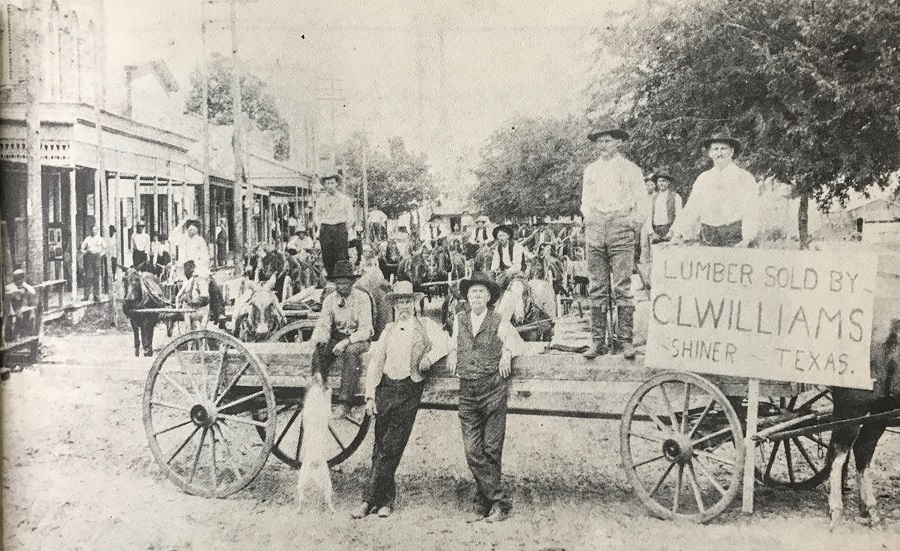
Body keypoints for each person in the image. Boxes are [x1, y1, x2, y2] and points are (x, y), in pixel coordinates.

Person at [351, 280, 452, 520]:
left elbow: (447, 342)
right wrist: (370, 395)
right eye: (400, 303)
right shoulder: (388, 330)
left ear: (414, 303)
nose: (404, 306)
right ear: (395, 306)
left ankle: (367, 500)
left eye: (407, 301)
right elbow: (376, 363)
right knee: (379, 446)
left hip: (409, 389)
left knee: (392, 446)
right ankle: (385, 502)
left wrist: (430, 356)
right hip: (387, 387)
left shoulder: (426, 325)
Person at [447, 272, 525, 523]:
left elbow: (517, 342)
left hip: (492, 390)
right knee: (472, 450)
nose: (476, 296)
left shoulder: (499, 319)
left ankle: (483, 502)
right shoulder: (459, 319)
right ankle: (500, 500)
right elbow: (453, 342)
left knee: (491, 449)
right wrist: (452, 351)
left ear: (489, 297)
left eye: (481, 292)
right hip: (468, 392)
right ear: (467, 297)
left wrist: (507, 353)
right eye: (472, 292)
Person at [580, 117, 648, 360]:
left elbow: (643, 202)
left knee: (622, 285)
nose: (603, 146)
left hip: (621, 226)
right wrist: (591, 219)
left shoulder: (631, 169)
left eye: (607, 141)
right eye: (599, 142)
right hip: (597, 227)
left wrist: (632, 224)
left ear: (618, 142)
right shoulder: (591, 170)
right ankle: (597, 341)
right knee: (597, 286)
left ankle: (626, 340)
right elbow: (585, 202)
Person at [668, 133, 759, 248]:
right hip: (708, 238)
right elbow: (692, 208)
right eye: (715, 149)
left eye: (723, 149)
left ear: (731, 152)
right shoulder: (703, 178)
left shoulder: (744, 177)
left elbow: (750, 211)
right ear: (710, 154)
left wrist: (747, 239)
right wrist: (678, 234)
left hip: (734, 238)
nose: (719, 153)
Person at [310, 259, 374, 419]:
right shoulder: (330, 300)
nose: (342, 287)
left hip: (358, 339)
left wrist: (346, 342)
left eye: (346, 283)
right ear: (335, 283)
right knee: (321, 349)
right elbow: (324, 324)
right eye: (339, 283)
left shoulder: (362, 298)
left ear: (352, 283)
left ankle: (345, 402)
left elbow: (365, 330)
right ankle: (318, 386)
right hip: (337, 337)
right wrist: (320, 338)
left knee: (351, 352)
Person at [313, 174, 355, 278]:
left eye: (332, 183)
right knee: (327, 256)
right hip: (326, 228)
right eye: (327, 183)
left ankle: (342, 279)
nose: (330, 185)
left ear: (337, 183)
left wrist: (344, 228)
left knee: (342, 256)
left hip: (340, 228)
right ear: (324, 185)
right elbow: (317, 215)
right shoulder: (320, 200)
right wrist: (322, 226)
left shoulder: (344, 199)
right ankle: (331, 278)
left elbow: (350, 217)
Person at [175, 260, 210, 330]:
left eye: (188, 271)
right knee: (190, 327)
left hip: (201, 308)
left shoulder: (198, 279)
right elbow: (179, 296)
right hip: (190, 310)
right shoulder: (188, 281)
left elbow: (205, 296)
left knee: (203, 327)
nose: (186, 273)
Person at [4, 269, 37, 341]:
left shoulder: (24, 285)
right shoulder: (10, 287)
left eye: (21, 279)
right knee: (19, 317)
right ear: (15, 280)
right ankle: (15, 335)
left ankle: (27, 332)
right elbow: (10, 296)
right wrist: (17, 292)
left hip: (21, 304)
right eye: (17, 279)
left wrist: (25, 290)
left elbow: (32, 291)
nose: (20, 281)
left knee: (31, 313)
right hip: (12, 305)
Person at [80, 225, 105, 302]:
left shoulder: (101, 239)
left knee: (97, 277)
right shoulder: (88, 239)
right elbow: (81, 248)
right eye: (92, 230)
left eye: (95, 230)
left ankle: (96, 296)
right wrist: (85, 252)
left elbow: (105, 249)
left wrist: (100, 255)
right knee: (88, 277)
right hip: (89, 257)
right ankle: (86, 295)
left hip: (97, 257)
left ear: (97, 230)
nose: (94, 231)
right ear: (91, 230)